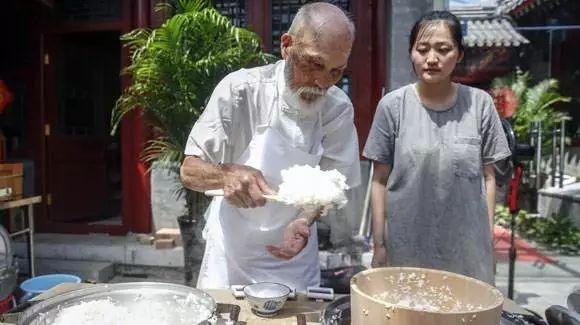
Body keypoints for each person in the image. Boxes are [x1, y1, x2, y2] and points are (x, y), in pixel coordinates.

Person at [180, 2, 361, 291]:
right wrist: (227, 175)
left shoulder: (336, 108)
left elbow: (334, 181)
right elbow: (189, 171)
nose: (321, 82)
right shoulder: (241, 91)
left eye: (335, 72)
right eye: (314, 64)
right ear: (286, 45)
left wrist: (305, 219)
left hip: (293, 256)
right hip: (231, 254)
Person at [363, 10, 511, 284]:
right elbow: (379, 180)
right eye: (422, 49)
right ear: (411, 53)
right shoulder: (393, 107)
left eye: (443, 49)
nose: (431, 58)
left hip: (467, 252)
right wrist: (380, 245)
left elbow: (490, 178)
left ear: (460, 54)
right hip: (407, 249)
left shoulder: (480, 105)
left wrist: (486, 241)